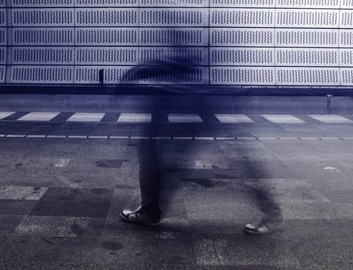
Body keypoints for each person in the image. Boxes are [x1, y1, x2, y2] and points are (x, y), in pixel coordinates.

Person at [117, 48, 282, 234]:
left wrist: (141, 72)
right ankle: (150, 209)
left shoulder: (195, 34)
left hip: (199, 97)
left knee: (238, 156)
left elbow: (183, 61)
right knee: (153, 148)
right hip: (193, 97)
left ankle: (272, 213)